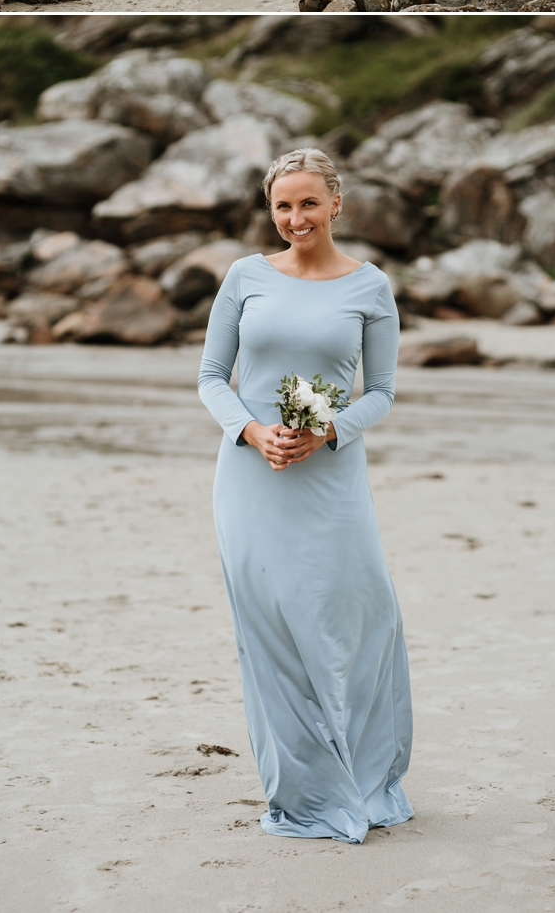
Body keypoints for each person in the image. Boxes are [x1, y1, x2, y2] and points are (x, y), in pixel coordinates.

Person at [196, 148, 412, 843]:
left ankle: (370, 777)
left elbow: (379, 393)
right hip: (251, 475)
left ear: (336, 204)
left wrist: (328, 432)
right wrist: (252, 432)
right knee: (272, 628)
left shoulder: (370, 286)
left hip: (332, 475)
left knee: (361, 617)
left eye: (308, 203)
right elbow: (209, 376)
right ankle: (304, 790)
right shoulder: (244, 277)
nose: (296, 218)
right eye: (283, 206)